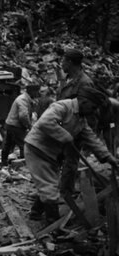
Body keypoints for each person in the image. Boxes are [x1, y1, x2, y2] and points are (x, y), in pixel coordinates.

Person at [24, 87, 119, 225]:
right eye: (93, 107)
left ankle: (35, 213)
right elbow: (45, 123)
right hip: (37, 150)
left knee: (49, 185)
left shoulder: (81, 120)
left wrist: (108, 157)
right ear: (84, 102)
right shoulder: (62, 106)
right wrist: (65, 136)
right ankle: (53, 224)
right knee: (49, 188)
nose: (93, 111)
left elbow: (92, 139)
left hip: (51, 153)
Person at [57, 49, 96, 198]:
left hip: (73, 130)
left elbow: (89, 111)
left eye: (63, 61)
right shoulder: (67, 79)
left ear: (71, 63)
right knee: (56, 160)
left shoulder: (85, 82)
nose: (61, 64)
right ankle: (56, 191)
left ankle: (65, 194)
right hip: (61, 128)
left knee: (70, 163)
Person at [0, 85, 34, 166]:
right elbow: (23, 116)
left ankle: (4, 162)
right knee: (24, 144)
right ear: (33, 92)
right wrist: (29, 126)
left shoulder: (24, 98)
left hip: (11, 124)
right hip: (16, 126)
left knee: (8, 144)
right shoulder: (23, 99)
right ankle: (24, 164)